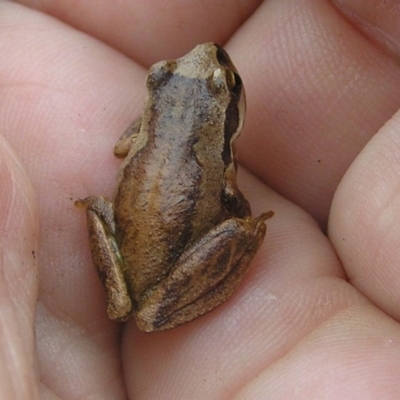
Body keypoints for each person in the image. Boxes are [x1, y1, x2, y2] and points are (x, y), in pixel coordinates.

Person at [1, 1, 400, 398]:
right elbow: (232, 201)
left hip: (132, 255)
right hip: (171, 265)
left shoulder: (140, 133)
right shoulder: (220, 154)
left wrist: (152, 129)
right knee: (237, 231)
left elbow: (123, 148)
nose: (201, 53)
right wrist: (245, 229)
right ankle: (151, 298)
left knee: (105, 222)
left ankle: (124, 284)